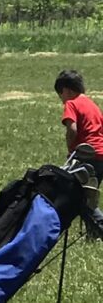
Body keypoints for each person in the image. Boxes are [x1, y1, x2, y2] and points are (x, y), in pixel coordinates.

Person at [54, 69, 103, 237]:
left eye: (61, 95)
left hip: (86, 155)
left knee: (78, 199)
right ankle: (92, 235)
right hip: (101, 155)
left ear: (67, 90)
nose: (62, 100)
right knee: (88, 196)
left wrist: (71, 149)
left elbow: (72, 129)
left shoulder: (72, 103)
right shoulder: (92, 104)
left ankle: (100, 229)